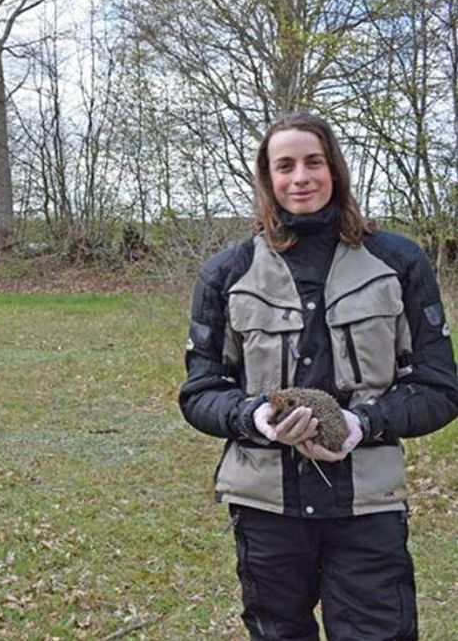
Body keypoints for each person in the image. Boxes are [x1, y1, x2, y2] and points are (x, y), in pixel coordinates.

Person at [179, 112, 458, 640]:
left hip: (368, 506)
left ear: (335, 170)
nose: (300, 177)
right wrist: (254, 415)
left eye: (314, 162)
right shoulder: (226, 273)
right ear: (267, 178)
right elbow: (200, 391)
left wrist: (362, 423)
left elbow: (439, 387)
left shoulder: (397, 262)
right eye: (285, 166)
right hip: (266, 508)